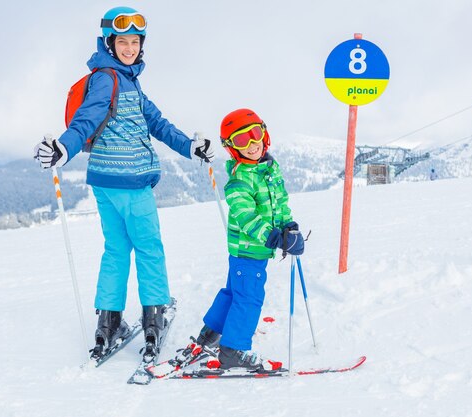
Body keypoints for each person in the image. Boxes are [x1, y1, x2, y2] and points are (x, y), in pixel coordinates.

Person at [34, 6, 214, 361]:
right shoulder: (108, 78)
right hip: (131, 183)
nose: (130, 47)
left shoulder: (127, 79)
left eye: (135, 41)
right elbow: (86, 120)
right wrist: (64, 148)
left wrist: (190, 148)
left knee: (116, 249)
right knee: (149, 248)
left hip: (104, 183)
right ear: (108, 42)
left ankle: (108, 321)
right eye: (123, 41)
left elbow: (158, 124)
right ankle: (153, 317)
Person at [175, 108, 306, 372]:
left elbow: (279, 204)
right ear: (232, 148)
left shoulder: (267, 169)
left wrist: (288, 226)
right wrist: (275, 237)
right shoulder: (239, 181)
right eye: (241, 141)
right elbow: (247, 217)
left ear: (264, 133)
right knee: (249, 297)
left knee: (234, 292)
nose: (251, 144)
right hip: (249, 249)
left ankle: (210, 334)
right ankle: (233, 349)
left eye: (254, 134)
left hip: (254, 250)